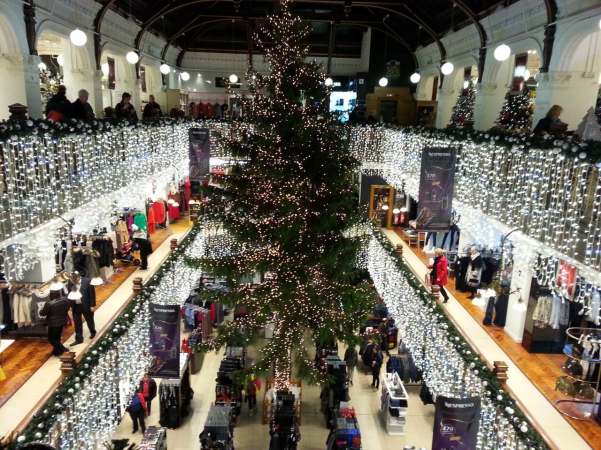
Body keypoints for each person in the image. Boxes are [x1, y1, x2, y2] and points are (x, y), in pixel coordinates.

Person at [67, 272, 96, 345]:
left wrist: (92, 305)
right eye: (72, 280)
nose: (73, 281)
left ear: (78, 277)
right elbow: (69, 294)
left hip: (86, 305)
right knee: (77, 323)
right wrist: (70, 306)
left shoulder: (88, 281)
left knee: (89, 320)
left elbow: (92, 294)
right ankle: (79, 339)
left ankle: (93, 332)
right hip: (75, 306)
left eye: (74, 280)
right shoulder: (70, 282)